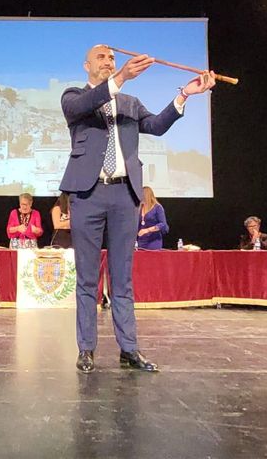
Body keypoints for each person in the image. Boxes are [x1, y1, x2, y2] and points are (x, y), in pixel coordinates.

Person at [60, 43, 215, 373]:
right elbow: (86, 104)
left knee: (123, 278)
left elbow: (157, 125)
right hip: (87, 194)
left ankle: (128, 349)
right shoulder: (74, 97)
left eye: (112, 58)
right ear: (87, 65)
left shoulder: (130, 103)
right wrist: (120, 77)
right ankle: (86, 349)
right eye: (101, 58)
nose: (108, 62)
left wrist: (184, 95)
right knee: (87, 278)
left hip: (124, 196)